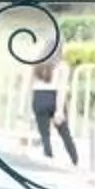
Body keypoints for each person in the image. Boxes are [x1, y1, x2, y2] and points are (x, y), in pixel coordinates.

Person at [30, 25, 79, 165]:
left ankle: (48, 159)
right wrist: (59, 110)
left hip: (38, 97)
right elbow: (61, 89)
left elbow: (30, 86)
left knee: (44, 135)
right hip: (53, 97)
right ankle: (74, 160)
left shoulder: (36, 64)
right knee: (65, 133)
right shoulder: (62, 66)